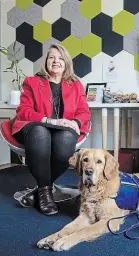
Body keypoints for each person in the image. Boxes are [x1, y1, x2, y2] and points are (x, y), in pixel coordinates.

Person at [12, 44, 91, 216]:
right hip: (36, 126)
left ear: (66, 62)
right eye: (52, 57)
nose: (56, 61)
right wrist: (47, 120)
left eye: (60, 58)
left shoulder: (76, 84)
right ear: (46, 61)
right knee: (40, 133)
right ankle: (46, 196)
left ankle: (40, 191)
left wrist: (76, 122)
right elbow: (23, 111)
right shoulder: (32, 82)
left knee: (65, 143)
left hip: (63, 130)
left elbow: (84, 111)